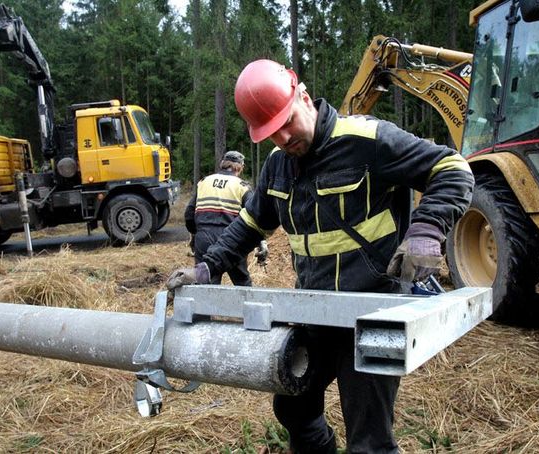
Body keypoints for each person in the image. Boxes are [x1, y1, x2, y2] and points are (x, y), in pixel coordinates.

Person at [168, 59, 474, 453]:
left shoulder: (369, 141)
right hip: (315, 312)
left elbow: (453, 168)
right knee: (292, 404)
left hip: (372, 312)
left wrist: (427, 232)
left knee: (369, 437)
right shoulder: (278, 167)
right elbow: (249, 225)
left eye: (287, 122)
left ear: (304, 97)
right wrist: (207, 268)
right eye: (271, 134)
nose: (282, 138)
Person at [184, 150, 267, 285]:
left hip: (204, 238)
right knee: (242, 283)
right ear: (240, 167)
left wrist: (196, 234)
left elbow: (189, 214)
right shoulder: (242, 186)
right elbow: (255, 215)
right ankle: (246, 306)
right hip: (232, 239)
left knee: (207, 284)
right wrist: (261, 242)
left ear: (223, 164)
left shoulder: (204, 182)